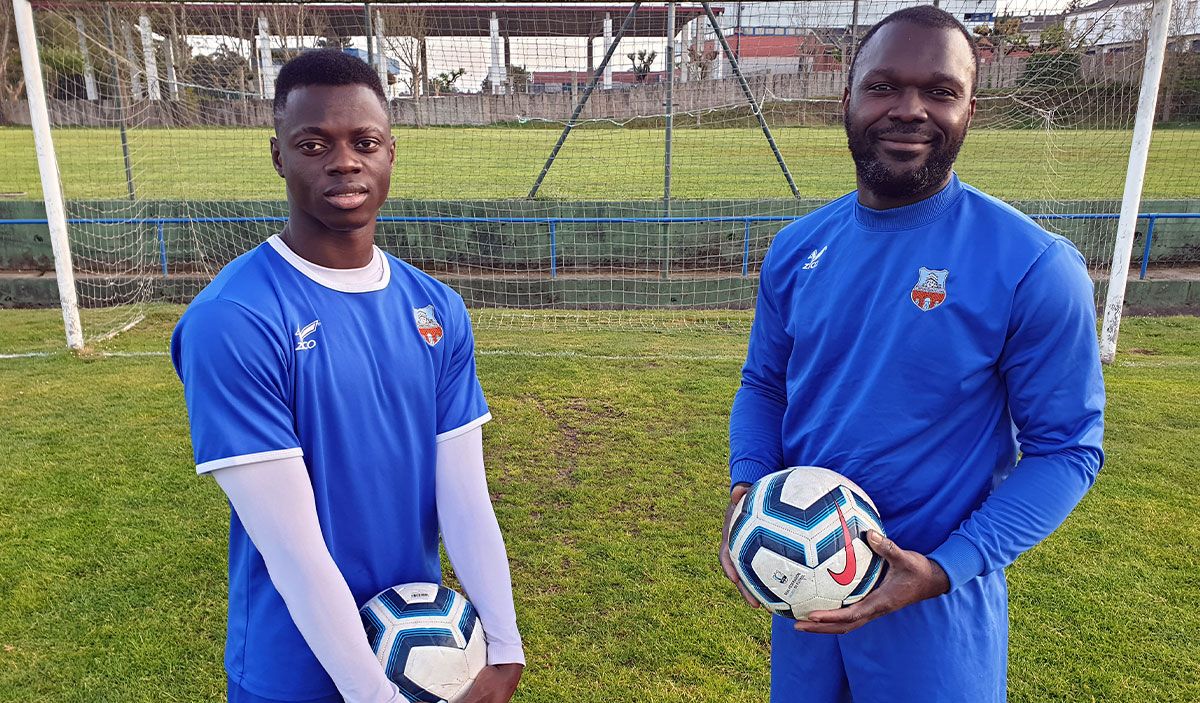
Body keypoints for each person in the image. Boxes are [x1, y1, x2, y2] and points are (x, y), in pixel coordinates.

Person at [720, 6, 1105, 702]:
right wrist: (750, 492)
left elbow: (1067, 449)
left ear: (969, 110)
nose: (910, 110)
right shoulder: (797, 247)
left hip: (935, 614)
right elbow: (765, 384)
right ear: (848, 98)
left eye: (940, 91)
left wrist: (947, 565)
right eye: (884, 87)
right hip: (806, 592)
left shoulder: (1035, 266)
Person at [171, 49, 524, 703]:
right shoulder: (233, 318)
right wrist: (374, 694)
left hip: (422, 653)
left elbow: (464, 496)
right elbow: (292, 549)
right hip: (295, 672)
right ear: (279, 154)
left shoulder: (436, 308)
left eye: (364, 141)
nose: (344, 161)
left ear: (391, 151)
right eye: (313, 143)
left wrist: (503, 645)